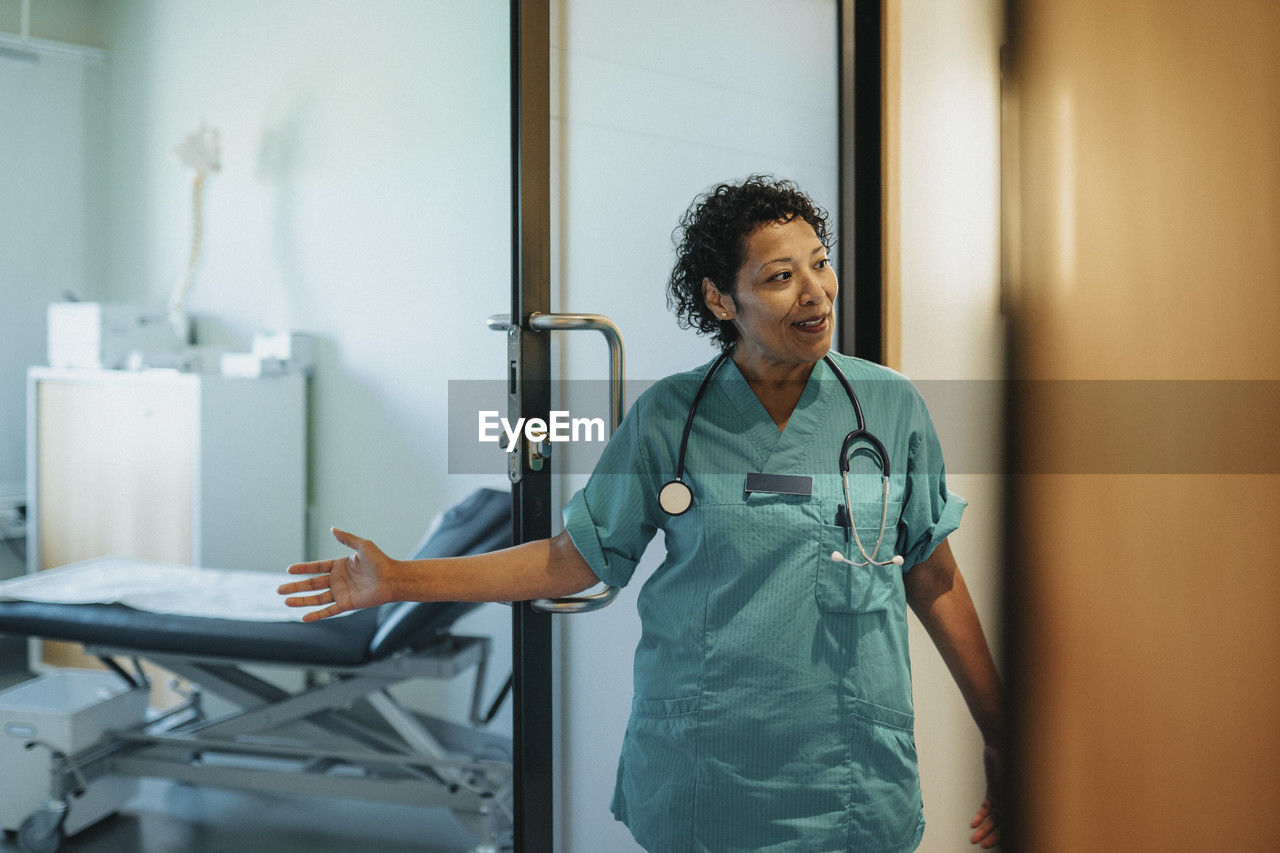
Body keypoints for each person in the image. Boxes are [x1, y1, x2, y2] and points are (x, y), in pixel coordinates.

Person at [279, 176, 1003, 852]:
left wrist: (1003, 733)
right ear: (722, 300)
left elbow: (932, 573)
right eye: (780, 277)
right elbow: (574, 558)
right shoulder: (670, 418)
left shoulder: (888, 405)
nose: (816, 292)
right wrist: (401, 579)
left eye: (820, 263)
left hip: (848, 770)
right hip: (709, 769)